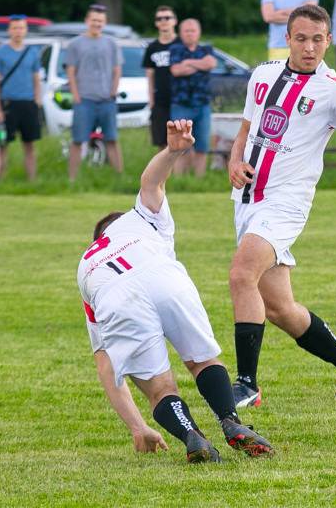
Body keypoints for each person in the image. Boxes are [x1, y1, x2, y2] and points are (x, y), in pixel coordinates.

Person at [227, 4, 336, 408]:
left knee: (240, 274)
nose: (309, 47)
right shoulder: (263, 74)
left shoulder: (334, 90)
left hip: (286, 204)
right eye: (301, 38)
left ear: (328, 41)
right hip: (249, 201)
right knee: (279, 309)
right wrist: (235, 161)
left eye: (317, 39)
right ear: (287, 39)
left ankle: (247, 384)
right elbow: (245, 131)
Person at [78, 118, 274, 463]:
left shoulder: (87, 263)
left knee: (160, 390)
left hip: (113, 296)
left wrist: (138, 427)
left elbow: (105, 366)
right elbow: (151, 182)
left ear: (98, 240)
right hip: (163, 275)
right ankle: (231, 421)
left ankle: (191, 436)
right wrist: (172, 151)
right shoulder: (141, 219)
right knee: (202, 362)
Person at [66, 4, 124, 181]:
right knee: (78, 141)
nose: (96, 23)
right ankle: (72, 180)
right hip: (84, 100)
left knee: (112, 140)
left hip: (107, 100)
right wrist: (76, 96)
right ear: (87, 21)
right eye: (93, 20)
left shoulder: (111, 43)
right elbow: (70, 71)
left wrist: (113, 92)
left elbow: (117, 69)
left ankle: (120, 179)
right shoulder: (75, 44)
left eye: (100, 21)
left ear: (104, 23)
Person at [0, 14, 42, 181]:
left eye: (21, 28)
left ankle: (32, 181)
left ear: (26, 30)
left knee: (30, 145)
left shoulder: (32, 52)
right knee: (3, 145)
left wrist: (37, 100)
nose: (18, 31)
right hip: (8, 104)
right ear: (9, 30)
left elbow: (36, 79)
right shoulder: (0, 52)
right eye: (14, 28)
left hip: (28, 103)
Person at [169, 18, 216, 177]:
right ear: (181, 33)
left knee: (202, 145)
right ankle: (179, 179)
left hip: (202, 104)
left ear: (199, 32)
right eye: (186, 31)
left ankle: (199, 179)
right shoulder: (175, 49)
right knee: (180, 145)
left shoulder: (207, 49)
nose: (190, 33)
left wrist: (188, 63)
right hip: (181, 104)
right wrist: (199, 64)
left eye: (193, 30)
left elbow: (210, 64)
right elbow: (176, 71)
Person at [143, 6, 179, 150]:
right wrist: (151, 100)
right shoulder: (152, 47)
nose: (163, 21)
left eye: (167, 18)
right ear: (156, 23)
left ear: (174, 21)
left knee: (181, 140)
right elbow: (150, 76)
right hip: (160, 101)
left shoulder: (181, 44)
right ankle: (164, 172)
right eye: (160, 19)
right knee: (161, 141)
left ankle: (182, 172)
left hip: (179, 100)